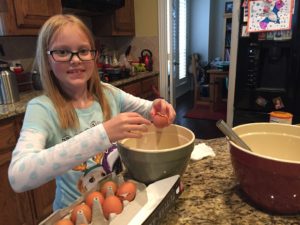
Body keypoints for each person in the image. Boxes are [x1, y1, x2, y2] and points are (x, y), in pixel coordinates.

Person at [8, 14, 176, 211]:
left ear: (94, 55)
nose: (76, 60)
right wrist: (103, 134)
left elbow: (149, 110)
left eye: (83, 51)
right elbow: (18, 176)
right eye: (62, 52)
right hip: (74, 212)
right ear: (47, 60)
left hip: (117, 203)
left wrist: (158, 107)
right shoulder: (42, 109)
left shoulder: (109, 94)